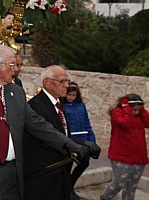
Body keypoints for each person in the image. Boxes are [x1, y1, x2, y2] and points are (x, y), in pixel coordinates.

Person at [0, 45, 90, 200]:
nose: (16, 70)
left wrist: (67, 144)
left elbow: (37, 123)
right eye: (12, 64)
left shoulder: (17, 92)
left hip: (12, 178)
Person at [24, 66, 100, 200]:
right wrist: (77, 145)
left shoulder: (58, 104)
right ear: (47, 83)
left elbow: (61, 135)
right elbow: (48, 139)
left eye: (68, 81)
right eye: (62, 81)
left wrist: (85, 143)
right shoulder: (36, 106)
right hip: (43, 178)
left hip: (60, 175)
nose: (67, 85)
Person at [101, 94, 149, 200]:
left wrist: (142, 109)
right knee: (119, 183)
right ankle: (105, 197)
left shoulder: (139, 115)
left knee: (131, 186)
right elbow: (124, 123)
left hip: (138, 157)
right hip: (121, 156)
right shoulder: (117, 112)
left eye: (138, 110)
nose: (136, 112)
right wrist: (126, 107)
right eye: (134, 109)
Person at [62, 81, 96, 199]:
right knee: (67, 167)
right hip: (71, 141)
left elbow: (87, 124)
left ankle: (70, 185)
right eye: (69, 95)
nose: (71, 97)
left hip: (83, 139)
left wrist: (92, 141)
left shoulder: (81, 106)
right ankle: (67, 191)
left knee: (84, 163)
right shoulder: (62, 106)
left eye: (73, 95)